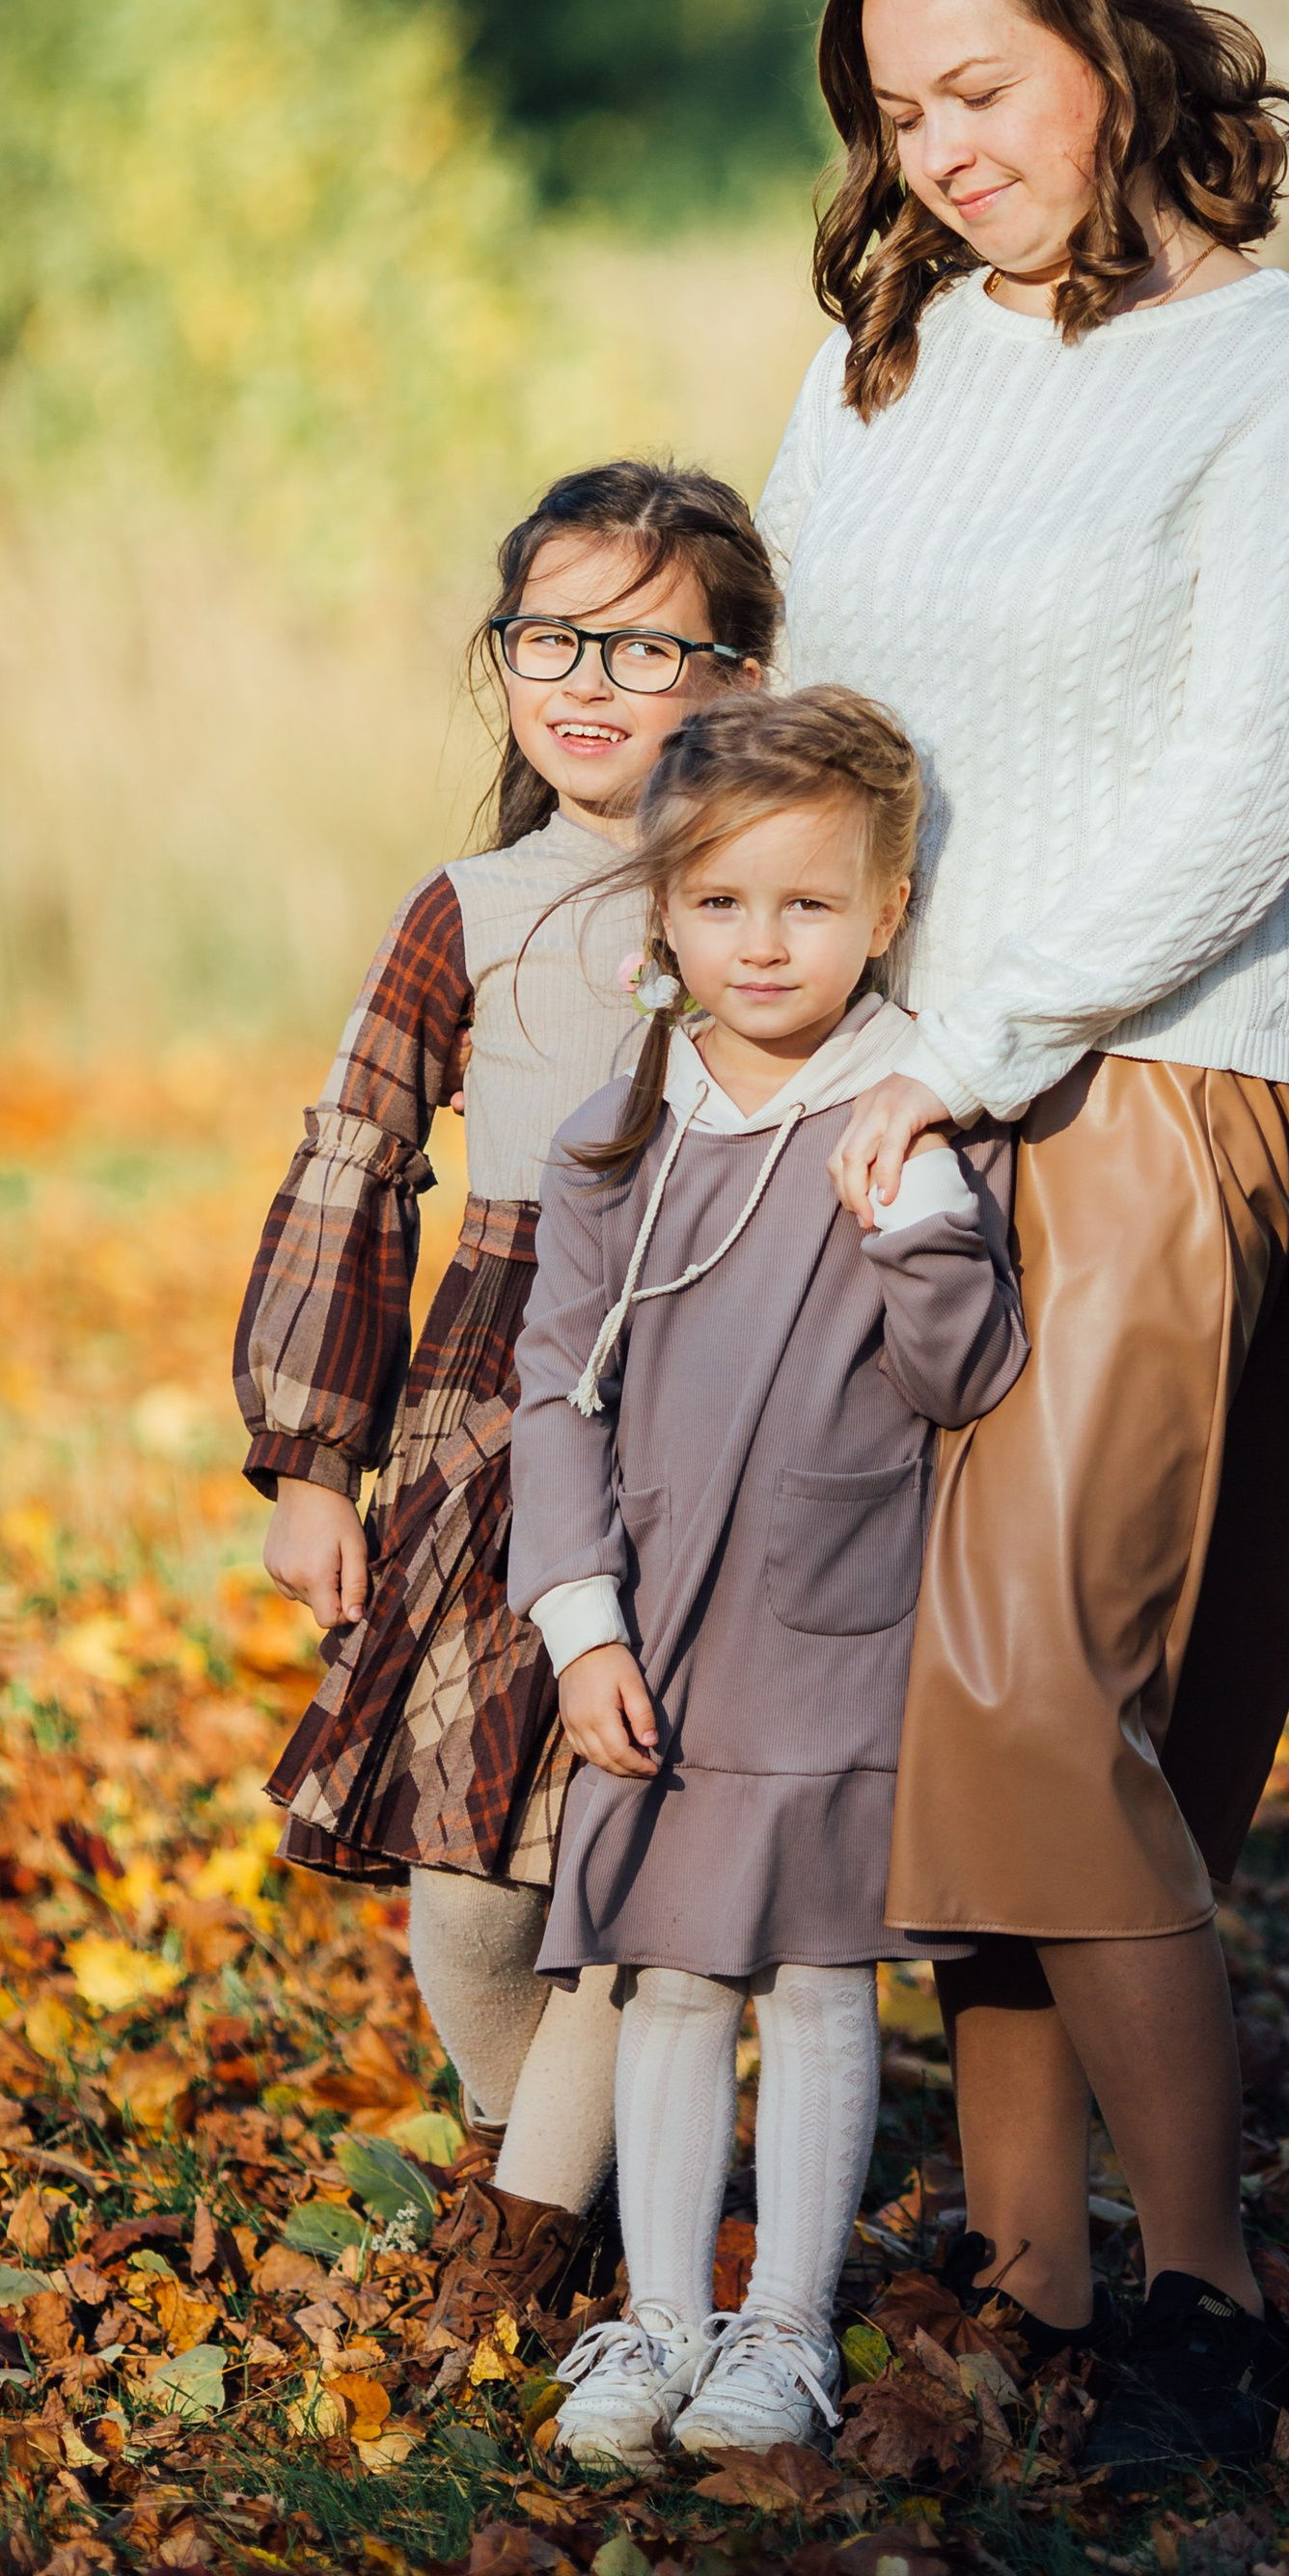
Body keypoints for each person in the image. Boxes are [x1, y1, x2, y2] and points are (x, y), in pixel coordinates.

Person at [755, 0, 1289, 2480]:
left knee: (1051, 1702)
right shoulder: (878, 366)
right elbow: (803, 722)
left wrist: (988, 1040)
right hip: (888, 1095)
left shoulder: (1283, 374)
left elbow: (1248, 802)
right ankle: (1026, 2271)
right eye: (901, 112)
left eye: (984, 89)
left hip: (1149, 1082)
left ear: (1119, 53)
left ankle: (1210, 2303)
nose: (945, 153)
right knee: (942, 1723)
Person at [234, 459, 777, 2331]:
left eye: (646, 642)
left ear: (735, 671)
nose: (588, 679)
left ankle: (583, 2235)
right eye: (551, 634)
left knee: (636, 1847)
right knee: (472, 1892)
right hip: (491, 1409)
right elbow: (356, 1165)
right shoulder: (468, 906)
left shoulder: (770, 892)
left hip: (714, 1399)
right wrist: (315, 1460)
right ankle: (529, 2174)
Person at [507, 689, 1027, 2470]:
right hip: (651, 1638)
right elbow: (550, 1391)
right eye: (722, 904)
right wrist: (579, 1620)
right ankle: (658, 2321)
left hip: (827, 1629)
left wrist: (931, 1231)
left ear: (884, 912)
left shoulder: (902, 1130)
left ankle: (784, 2330)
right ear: (664, 911)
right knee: (665, 1977)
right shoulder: (618, 1142)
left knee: (812, 1979)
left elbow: (961, 1378)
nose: (763, 943)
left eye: (809, 905)